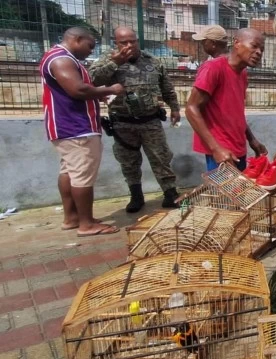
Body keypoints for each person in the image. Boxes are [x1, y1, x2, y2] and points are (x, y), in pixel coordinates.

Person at [40, 27, 124, 237]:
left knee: (69, 172)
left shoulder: (60, 58)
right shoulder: (61, 60)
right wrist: (110, 90)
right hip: (75, 128)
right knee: (82, 176)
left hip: (68, 127)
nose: (90, 51)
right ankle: (86, 224)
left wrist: (96, 95)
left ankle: (72, 218)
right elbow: (77, 90)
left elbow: (78, 90)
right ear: (77, 39)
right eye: (89, 46)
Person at [89, 27, 181, 213]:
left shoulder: (152, 61)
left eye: (132, 41)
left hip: (150, 121)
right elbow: (92, 80)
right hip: (123, 122)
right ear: (117, 43)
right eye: (124, 42)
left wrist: (175, 108)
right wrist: (115, 62)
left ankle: (170, 194)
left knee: (161, 158)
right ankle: (136, 196)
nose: (129, 45)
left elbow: (167, 87)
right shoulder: (108, 60)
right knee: (128, 161)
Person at [186, 28, 268, 172]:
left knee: (240, 193)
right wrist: (216, 149)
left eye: (261, 49)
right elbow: (191, 108)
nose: (259, 52)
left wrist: (252, 140)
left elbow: (236, 113)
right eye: (254, 46)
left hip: (238, 147)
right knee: (225, 194)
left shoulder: (242, 74)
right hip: (222, 152)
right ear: (237, 43)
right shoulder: (213, 68)